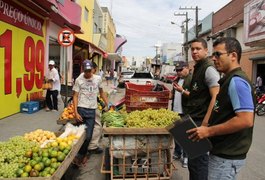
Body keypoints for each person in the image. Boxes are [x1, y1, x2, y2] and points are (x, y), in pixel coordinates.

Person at [187, 37, 255, 179]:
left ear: (233, 56)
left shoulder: (237, 81)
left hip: (227, 156)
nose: (214, 58)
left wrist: (208, 130)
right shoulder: (228, 79)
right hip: (221, 153)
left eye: (218, 54)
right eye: (213, 54)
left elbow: (246, 120)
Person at [176, 38, 220, 180]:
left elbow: (216, 97)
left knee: (199, 163)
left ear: (206, 51)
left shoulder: (208, 69)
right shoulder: (198, 67)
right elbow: (196, 95)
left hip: (201, 122)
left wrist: (205, 124)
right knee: (193, 162)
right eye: (192, 49)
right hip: (193, 120)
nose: (194, 51)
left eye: (198, 49)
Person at [72, 60, 108, 166]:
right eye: (86, 71)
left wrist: (108, 103)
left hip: (92, 110)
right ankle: (80, 156)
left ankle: (80, 155)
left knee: (88, 136)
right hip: (81, 109)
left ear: (92, 69)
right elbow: (75, 96)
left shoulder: (97, 79)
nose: (88, 73)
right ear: (83, 70)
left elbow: (101, 92)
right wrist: (75, 112)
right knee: (81, 135)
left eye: (90, 71)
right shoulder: (79, 80)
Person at [171, 61, 192, 168]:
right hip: (176, 111)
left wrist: (182, 91)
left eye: (180, 70)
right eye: (177, 70)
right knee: (177, 134)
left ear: (187, 68)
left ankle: (186, 156)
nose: (178, 72)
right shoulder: (177, 79)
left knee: (187, 135)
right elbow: (173, 95)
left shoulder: (192, 79)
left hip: (186, 111)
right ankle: (178, 152)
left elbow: (195, 96)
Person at [87, 61, 105, 155]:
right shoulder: (97, 78)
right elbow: (101, 93)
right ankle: (92, 146)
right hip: (91, 107)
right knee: (97, 125)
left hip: (82, 106)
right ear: (93, 69)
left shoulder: (80, 78)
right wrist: (106, 103)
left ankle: (86, 145)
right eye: (95, 69)